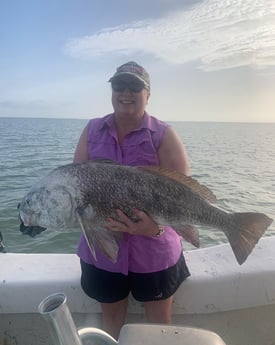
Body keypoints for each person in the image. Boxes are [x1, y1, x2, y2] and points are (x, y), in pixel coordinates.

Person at [73, 61, 191, 339]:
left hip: (155, 252)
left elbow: (183, 198)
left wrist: (154, 229)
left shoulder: (163, 134)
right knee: (112, 324)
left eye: (135, 86)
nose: (126, 92)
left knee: (158, 328)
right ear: (112, 90)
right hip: (101, 250)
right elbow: (76, 184)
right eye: (119, 85)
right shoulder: (91, 130)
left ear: (148, 94)